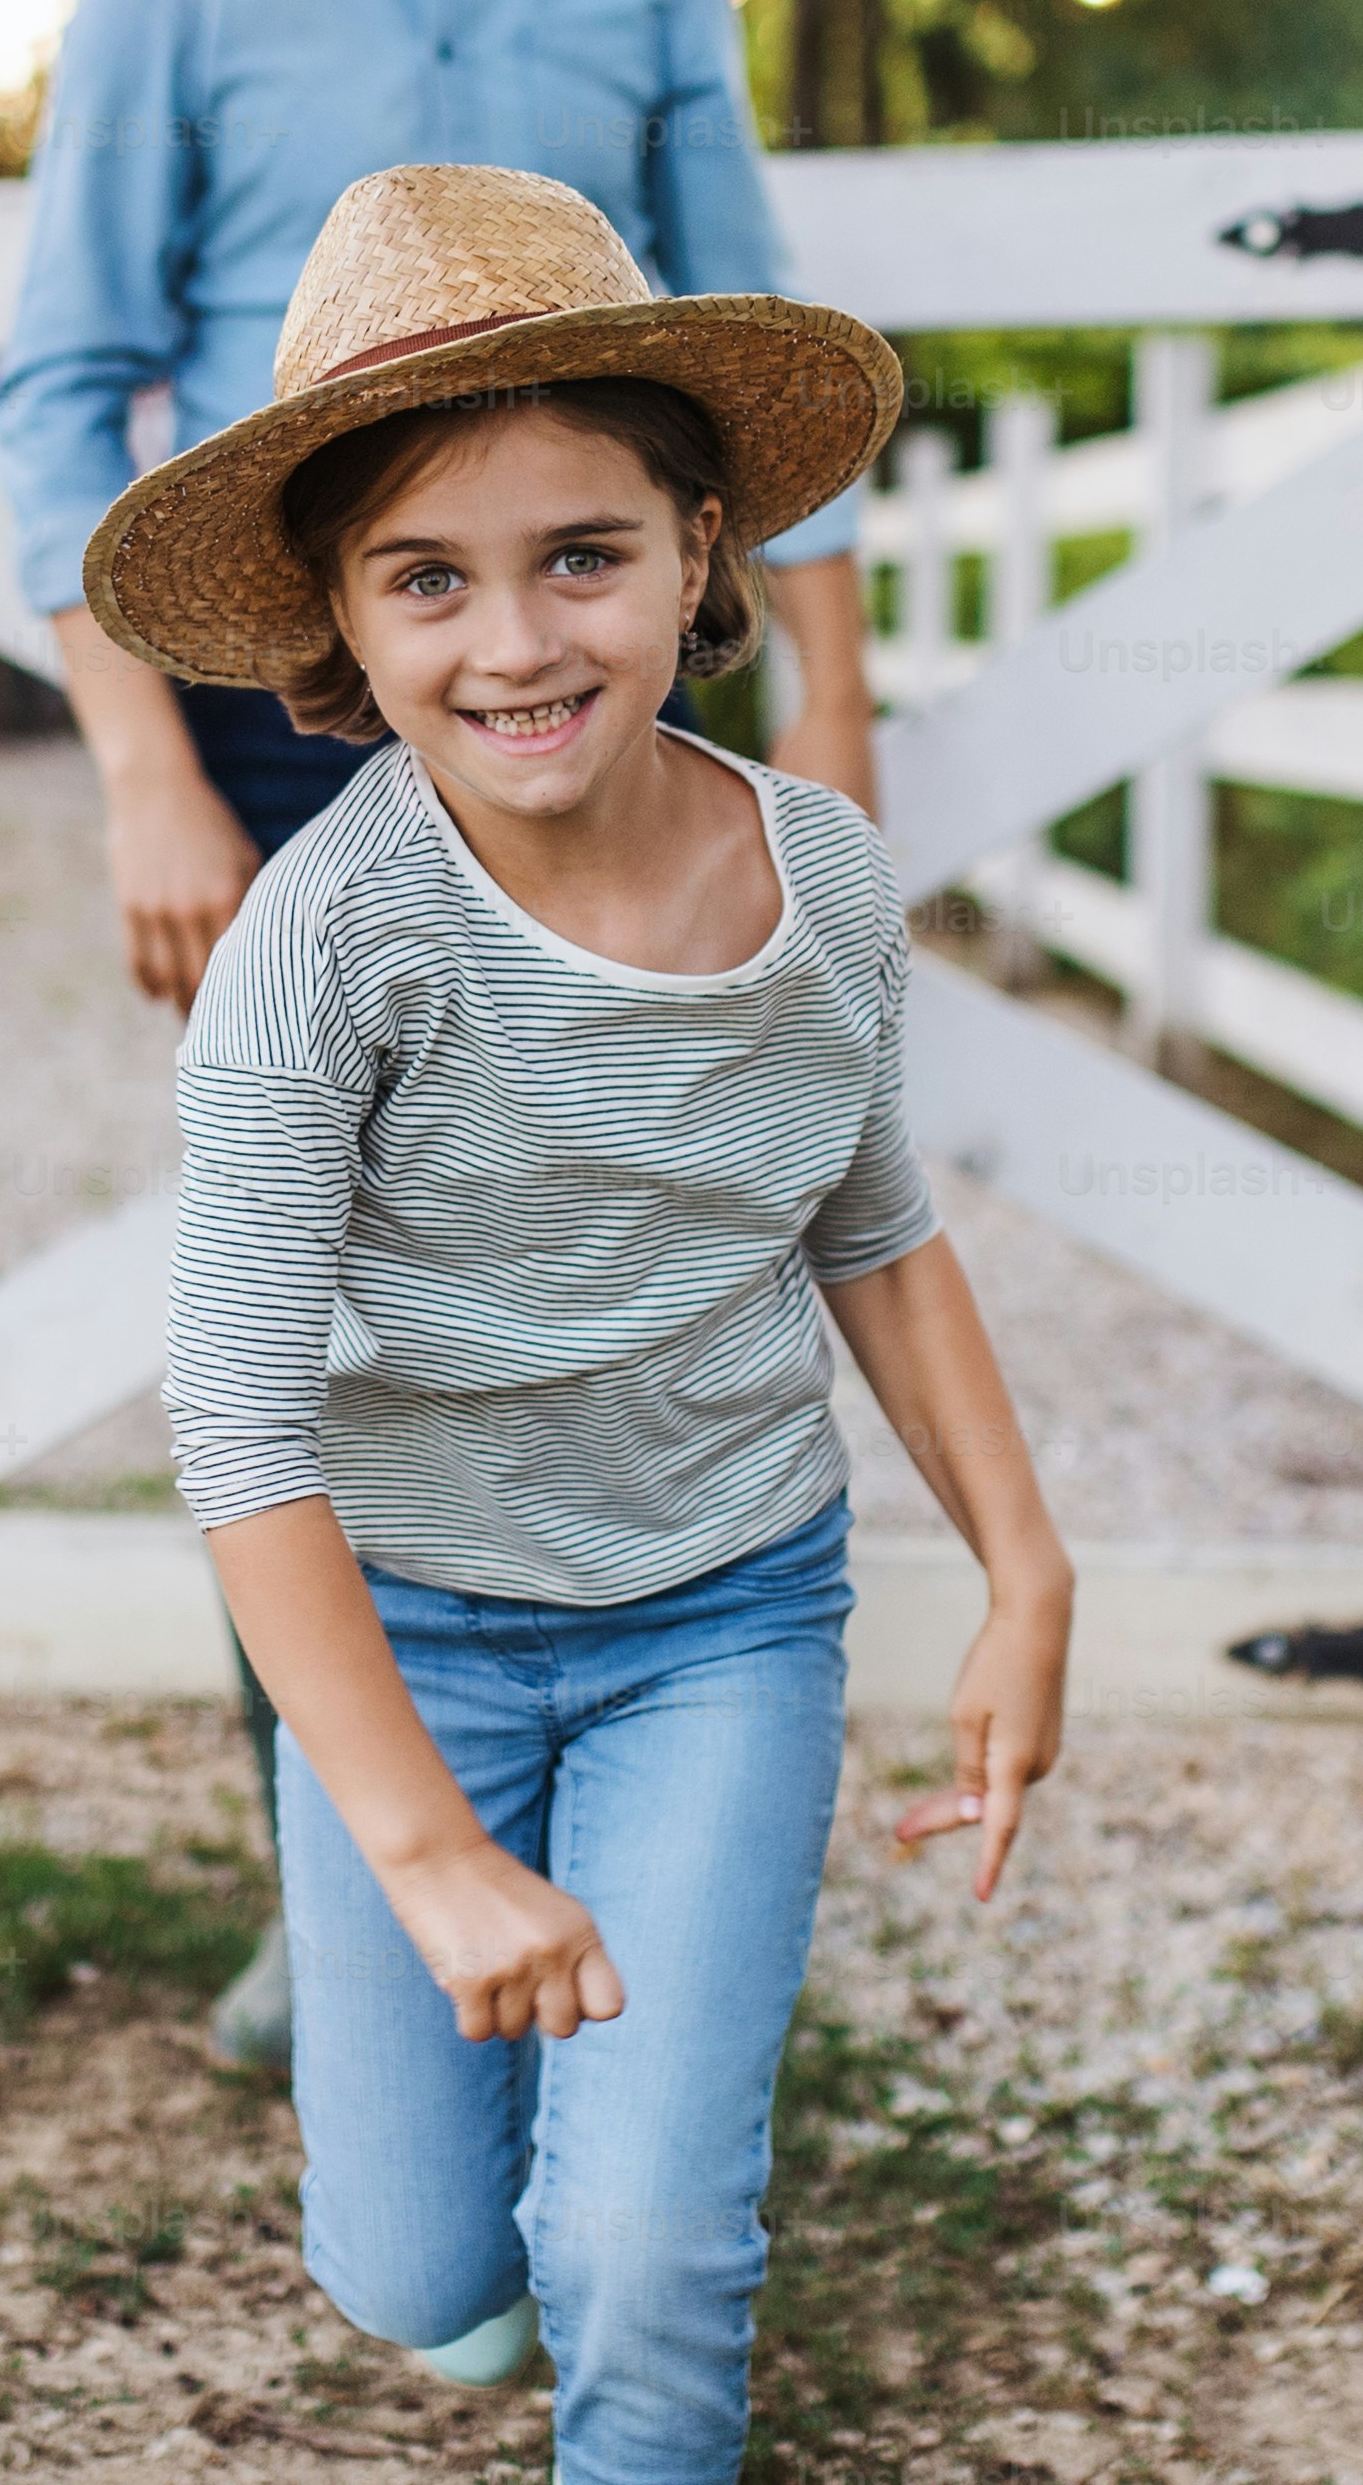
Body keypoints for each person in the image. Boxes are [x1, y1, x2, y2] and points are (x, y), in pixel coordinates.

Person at [0, 0, 888, 2073]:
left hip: (622, 699)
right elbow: (65, 383)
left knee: (643, 1265)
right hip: (282, 729)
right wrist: (145, 767)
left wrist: (825, 736)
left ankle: (638, 1828)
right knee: (327, 1323)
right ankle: (351, 1866)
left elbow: (743, 355)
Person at [84, 161, 1071, 2470]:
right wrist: (422, 1839)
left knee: (647, 2246)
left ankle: (636, 2243)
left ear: (703, 549)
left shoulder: (815, 868)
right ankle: (487, 2144)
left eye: (583, 556)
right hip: (415, 1631)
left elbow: (876, 1228)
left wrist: (1025, 1567)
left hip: (722, 1615)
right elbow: (236, 1423)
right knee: (424, 2267)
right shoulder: (321, 950)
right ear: (338, 608)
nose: (513, 641)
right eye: (429, 577)